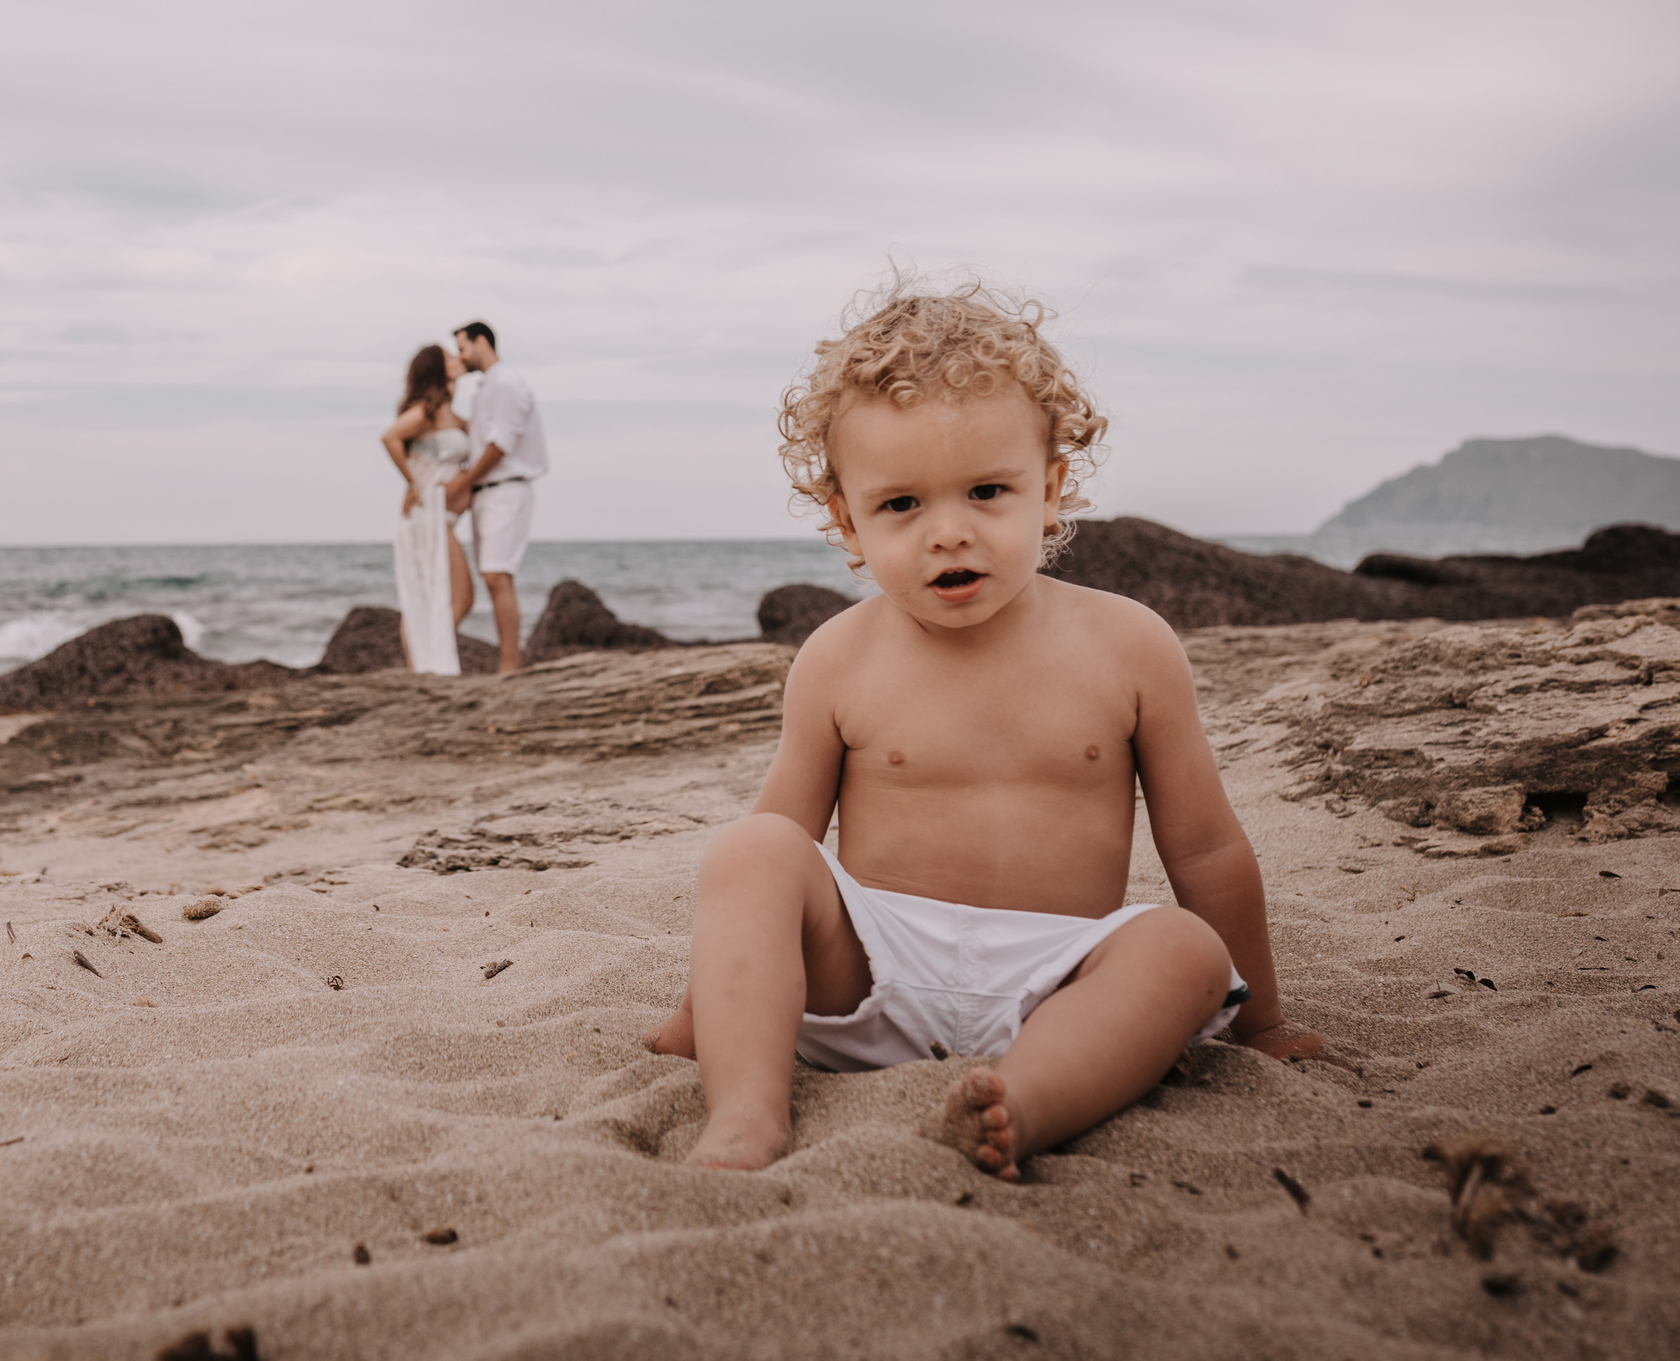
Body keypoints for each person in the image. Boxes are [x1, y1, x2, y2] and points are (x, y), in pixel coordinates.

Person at [646, 279, 1334, 1176]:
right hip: (872, 973)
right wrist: (701, 1011)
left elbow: (1204, 850)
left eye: (985, 491)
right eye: (902, 505)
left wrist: (1264, 1021)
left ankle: (1021, 1103)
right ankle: (745, 1117)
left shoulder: (1130, 645)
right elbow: (783, 849)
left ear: (1049, 491)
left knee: (1181, 948)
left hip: (1059, 979)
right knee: (749, 847)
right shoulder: (836, 657)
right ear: (846, 522)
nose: (949, 533)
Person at [443, 321, 549, 675]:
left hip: (506, 488)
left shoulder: (505, 383)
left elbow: (499, 446)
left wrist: (462, 484)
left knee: (496, 576)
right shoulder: (488, 387)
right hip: (487, 493)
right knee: (493, 576)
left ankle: (509, 665)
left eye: (463, 348)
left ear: (481, 342)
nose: (461, 356)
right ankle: (508, 663)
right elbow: (477, 437)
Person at [379, 344, 476, 673]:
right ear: (437, 369)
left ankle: (426, 663)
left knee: (441, 598)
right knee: (456, 598)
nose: (457, 360)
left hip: (440, 516)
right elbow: (390, 437)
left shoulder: (450, 414)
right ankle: (424, 665)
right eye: (449, 358)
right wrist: (413, 483)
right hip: (425, 517)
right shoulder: (426, 410)